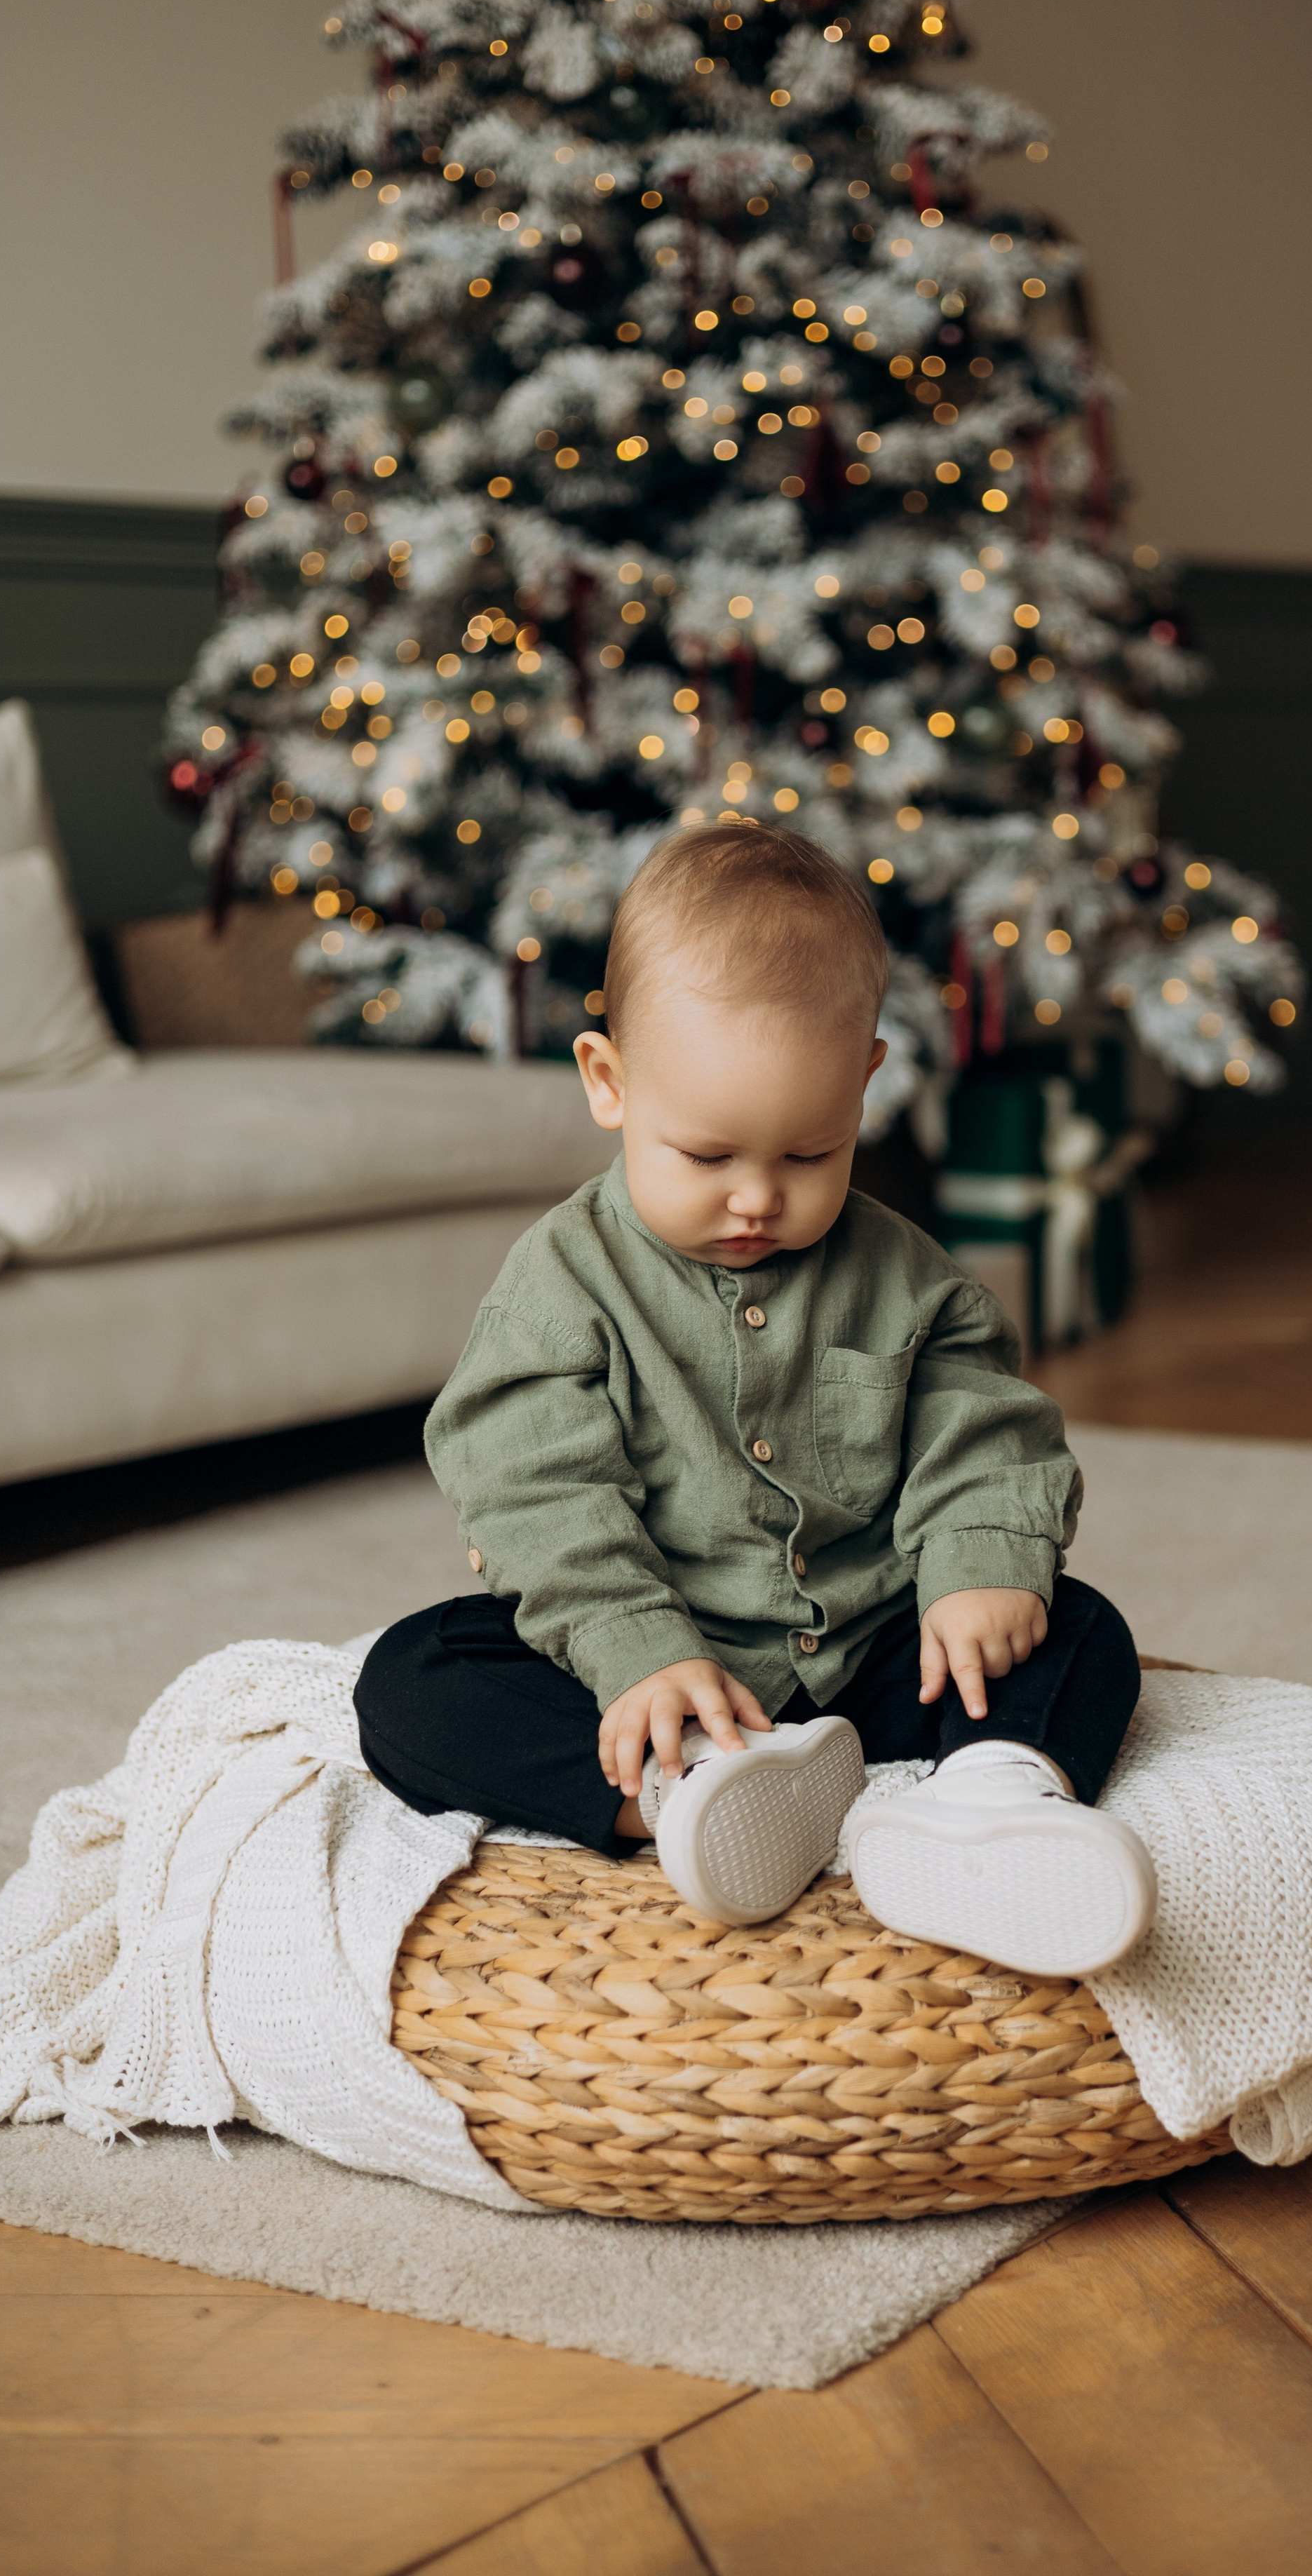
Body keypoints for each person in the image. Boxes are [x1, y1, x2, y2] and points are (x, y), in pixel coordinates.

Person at [355, 826, 1156, 1978]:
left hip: (881, 1652)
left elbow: (983, 1424)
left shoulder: (908, 1278)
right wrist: (635, 1653)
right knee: (412, 1683)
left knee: (1076, 1629)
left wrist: (978, 1568)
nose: (757, 1200)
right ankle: (688, 1799)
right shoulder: (563, 1284)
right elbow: (533, 1482)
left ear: (865, 1087)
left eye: (812, 1154)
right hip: (665, 1671)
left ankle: (987, 1801)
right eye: (706, 1154)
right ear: (609, 1083)